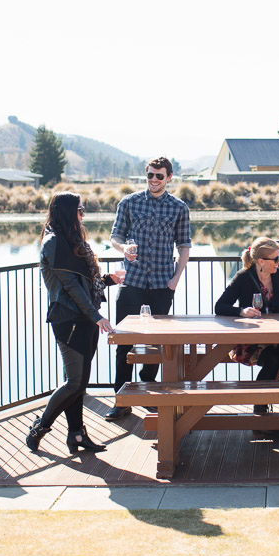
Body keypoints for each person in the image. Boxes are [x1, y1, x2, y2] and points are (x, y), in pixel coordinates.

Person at [27, 191, 122, 453]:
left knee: (78, 383)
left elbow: (84, 283)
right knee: (75, 382)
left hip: (85, 318)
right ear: (69, 212)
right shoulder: (54, 242)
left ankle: (77, 435)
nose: (83, 214)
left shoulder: (71, 240)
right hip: (69, 319)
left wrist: (108, 280)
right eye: (80, 210)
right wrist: (97, 316)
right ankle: (39, 428)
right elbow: (70, 287)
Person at [104, 157, 192, 421]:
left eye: (159, 176)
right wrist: (123, 249)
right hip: (132, 281)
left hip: (162, 284)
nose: (154, 180)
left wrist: (176, 279)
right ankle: (121, 400)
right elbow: (115, 237)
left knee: (156, 344)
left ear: (169, 178)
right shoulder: (129, 202)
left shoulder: (179, 207)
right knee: (123, 342)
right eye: (150, 175)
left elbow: (184, 246)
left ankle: (149, 393)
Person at [214, 237, 279, 419]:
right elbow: (220, 306)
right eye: (276, 259)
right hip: (252, 341)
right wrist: (241, 312)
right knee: (273, 359)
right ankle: (261, 415)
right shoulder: (243, 278)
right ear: (261, 261)